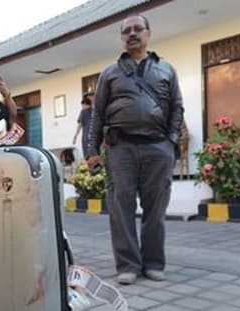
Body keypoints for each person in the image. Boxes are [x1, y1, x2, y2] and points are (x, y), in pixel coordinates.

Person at [86, 14, 184, 285]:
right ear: (121, 38)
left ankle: (153, 263)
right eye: (126, 30)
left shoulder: (166, 69)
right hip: (121, 149)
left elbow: (177, 107)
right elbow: (97, 114)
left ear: (148, 33)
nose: (132, 34)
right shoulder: (110, 73)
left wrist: (171, 141)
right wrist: (91, 150)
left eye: (137, 29)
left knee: (156, 210)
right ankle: (128, 264)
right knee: (121, 209)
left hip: (157, 147)